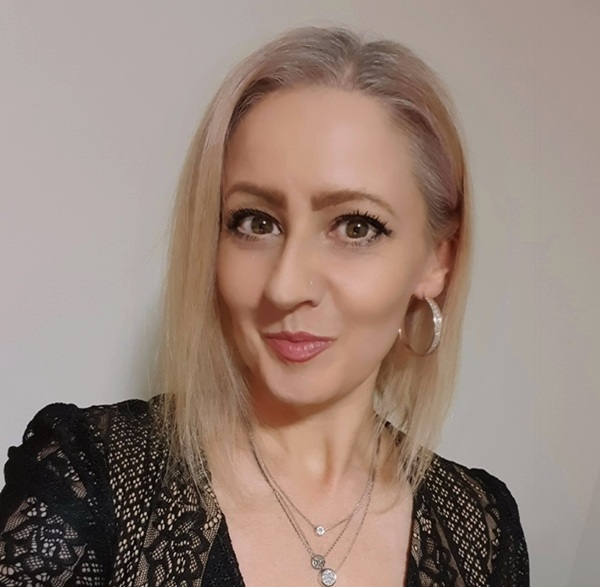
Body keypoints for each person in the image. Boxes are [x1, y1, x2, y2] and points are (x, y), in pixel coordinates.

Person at [0, 26, 528, 586]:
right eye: (256, 222)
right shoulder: (86, 479)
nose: (285, 286)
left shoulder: (481, 529)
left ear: (437, 261)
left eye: (356, 226)